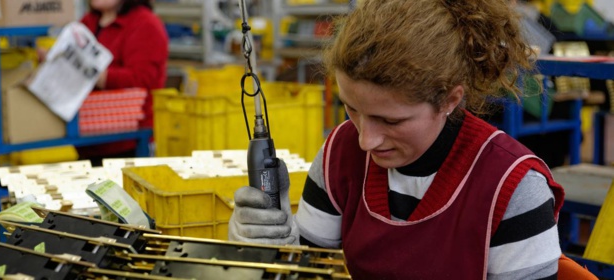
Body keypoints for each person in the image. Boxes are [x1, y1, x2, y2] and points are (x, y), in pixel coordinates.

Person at [229, 0, 596, 279]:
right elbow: (303, 268)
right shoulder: (340, 153)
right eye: (352, 109)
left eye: (391, 120)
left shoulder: (511, 188)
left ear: (450, 100)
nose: (366, 141)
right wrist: (271, 246)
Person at [76, 0, 169, 165]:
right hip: (87, 137)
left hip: (128, 141)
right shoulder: (88, 21)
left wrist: (94, 73)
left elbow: (141, 79)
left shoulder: (145, 24)